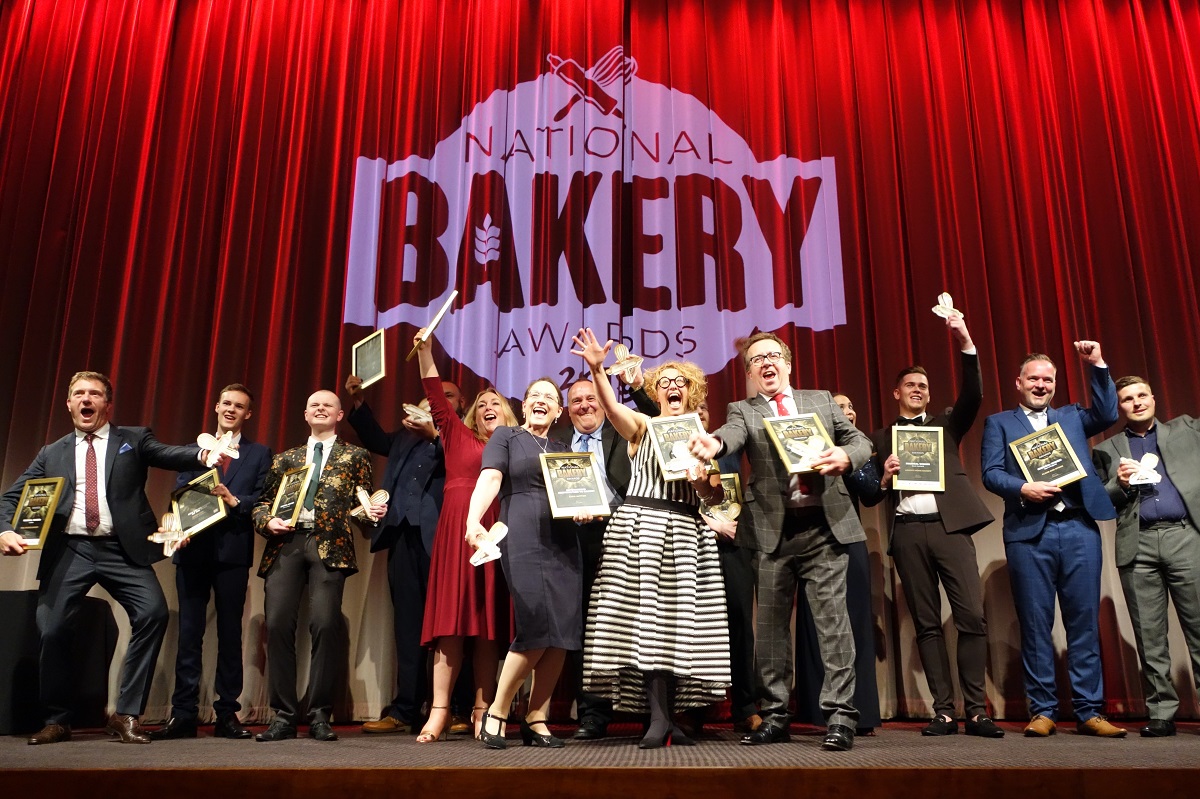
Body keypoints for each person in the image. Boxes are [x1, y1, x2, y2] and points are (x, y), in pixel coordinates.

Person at [0, 371, 206, 745]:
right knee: (53, 628)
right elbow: (11, 498)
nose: (86, 399)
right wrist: (5, 530)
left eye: (94, 393)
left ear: (107, 404)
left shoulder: (134, 438)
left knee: (153, 613)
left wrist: (203, 453)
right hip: (71, 549)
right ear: (69, 404)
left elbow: (169, 454)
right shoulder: (53, 452)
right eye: (79, 393)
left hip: (120, 549)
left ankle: (126, 713)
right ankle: (58, 719)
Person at [689, 332, 871, 751]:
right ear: (751, 373)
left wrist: (847, 457)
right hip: (773, 533)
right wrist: (714, 443)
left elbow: (859, 441)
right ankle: (774, 716)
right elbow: (730, 435)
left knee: (833, 627)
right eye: (757, 360)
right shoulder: (743, 410)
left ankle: (841, 717)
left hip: (824, 528)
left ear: (787, 364)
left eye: (773, 356)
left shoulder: (821, 400)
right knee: (770, 631)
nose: (766, 363)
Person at [572, 327, 731, 749]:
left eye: (681, 383)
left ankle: (669, 717)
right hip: (642, 526)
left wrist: (702, 484)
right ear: (656, 393)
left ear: (692, 393)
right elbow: (610, 409)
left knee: (680, 628)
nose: (672, 387)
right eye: (665, 383)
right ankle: (658, 719)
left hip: (687, 531)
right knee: (646, 625)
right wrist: (597, 368)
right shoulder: (642, 424)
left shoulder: (703, 439)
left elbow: (714, 495)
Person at [856, 315, 999, 738]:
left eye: (924, 386)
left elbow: (973, 395)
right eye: (911, 385)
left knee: (971, 617)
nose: (918, 390)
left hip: (949, 527)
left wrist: (965, 340)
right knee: (927, 623)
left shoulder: (945, 425)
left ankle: (976, 710)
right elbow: (868, 495)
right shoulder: (879, 439)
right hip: (907, 532)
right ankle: (943, 711)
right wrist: (883, 477)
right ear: (896, 393)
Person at [980, 342, 1126, 737]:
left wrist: (1097, 363)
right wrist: (1022, 488)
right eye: (1033, 379)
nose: (1040, 385)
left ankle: (1089, 711)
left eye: (1048, 379)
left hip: (1079, 528)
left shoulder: (1073, 416)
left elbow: (1109, 413)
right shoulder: (1000, 423)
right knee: (1035, 624)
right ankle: (1042, 710)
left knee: (1083, 624)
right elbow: (991, 473)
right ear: (1018, 383)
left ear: (1055, 384)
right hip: (1029, 533)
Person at [251, 390, 385, 742]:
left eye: (328, 405)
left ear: (340, 415)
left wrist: (372, 512)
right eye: (314, 404)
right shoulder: (286, 458)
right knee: (278, 623)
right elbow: (262, 503)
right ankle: (282, 715)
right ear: (305, 414)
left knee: (326, 625)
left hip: (331, 545)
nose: (321, 408)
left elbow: (363, 506)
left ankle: (319, 713)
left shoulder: (356, 455)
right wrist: (267, 522)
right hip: (287, 543)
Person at [468, 378, 584, 749]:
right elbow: (490, 477)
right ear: (524, 405)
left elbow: (581, 493)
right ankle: (498, 711)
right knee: (535, 623)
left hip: (563, 540)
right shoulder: (506, 437)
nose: (541, 401)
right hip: (521, 532)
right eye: (535, 395)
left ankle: (536, 718)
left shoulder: (564, 448)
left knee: (563, 633)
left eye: (550, 398)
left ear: (558, 411)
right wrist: (473, 520)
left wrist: (586, 511)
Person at [152, 384, 272, 740]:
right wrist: (178, 528)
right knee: (189, 634)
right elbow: (181, 494)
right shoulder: (191, 451)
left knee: (230, 634)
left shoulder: (259, 454)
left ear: (248, 414)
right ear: (216, 406)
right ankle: (184, 713)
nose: (231, 410)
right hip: (193, 551)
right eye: (227, 403)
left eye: (240, 406)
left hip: (232, 553)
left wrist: (234, 500)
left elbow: (262, 498)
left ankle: (226, 714)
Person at [345, 375, 463, 736]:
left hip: (445, 541)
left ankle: (453, 708)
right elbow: (375, 439)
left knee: (450, 629)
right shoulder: (402, 438)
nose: (436, 400)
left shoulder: (461, 437)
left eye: (447, 396)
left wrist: (437, 433)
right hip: (402, 538)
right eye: (430, 395)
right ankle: (405, 708)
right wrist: (359, 402)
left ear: (458, 406)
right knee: (407, 624)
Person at [413, 329, 516, 742]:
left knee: (489, 624)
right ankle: (439, 711)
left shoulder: (517, 445)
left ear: (509, 415)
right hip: (459, 531)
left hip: (498, 533)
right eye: (482, 404)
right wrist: (424, 351)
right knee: (450, 624)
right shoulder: (458, 435)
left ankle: (482, 709)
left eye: (497, 403)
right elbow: (435, 394)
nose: (488, 406)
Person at [1092, 376, 1200, 737]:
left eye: (1141, 395)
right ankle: (1161, 712)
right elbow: (1099, 500)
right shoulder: (1107, 449)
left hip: (1184, 536)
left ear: (1153, 398)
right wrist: (1118, 484)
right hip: (1138, 544)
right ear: (1118, 407)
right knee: (1150, 635)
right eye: (1126, 399)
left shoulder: (1186, 429)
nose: (1136, 402)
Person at [793, 392, 882, 736]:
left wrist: (851, 460)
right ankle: (818, 711)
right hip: (808, 536)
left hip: (847, 537)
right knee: (817, 624)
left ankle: (860, 710)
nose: (848, 412)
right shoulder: (805, 442)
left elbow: (871, 492)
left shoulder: (857, 447)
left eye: (850, 407)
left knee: (853, 622)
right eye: (840, 408)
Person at [550, 378, 633, 741]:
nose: (584, 405)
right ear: (567, 409)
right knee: (585, 629)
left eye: (591, 398)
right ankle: (593, 714)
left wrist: (604, 511)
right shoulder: (556, 444)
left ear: (604, 402)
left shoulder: (626, 432)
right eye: (576, 401)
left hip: (623, 537)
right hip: (572, 543)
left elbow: (641, 485)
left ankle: (648, 712)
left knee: (631, 625)